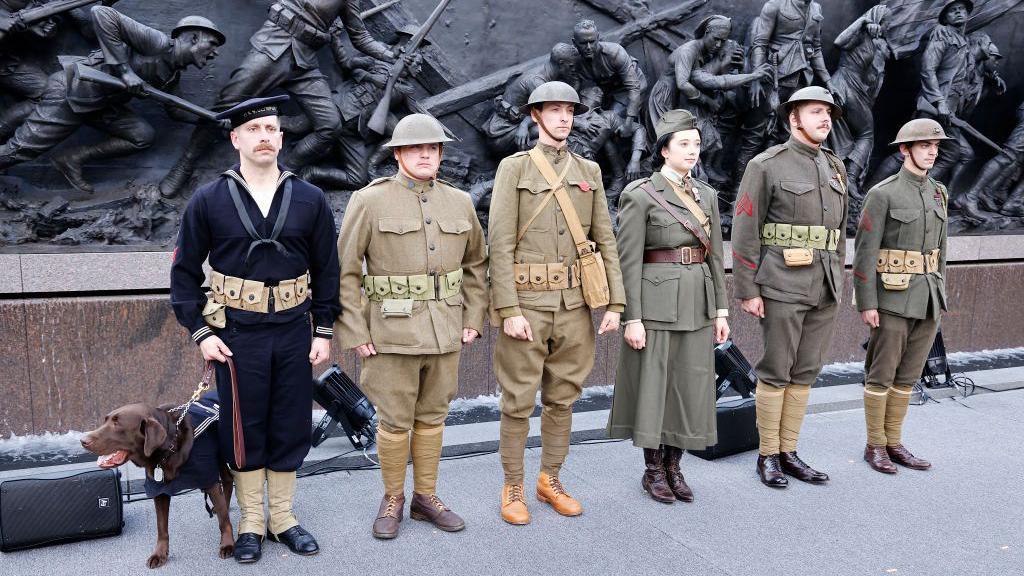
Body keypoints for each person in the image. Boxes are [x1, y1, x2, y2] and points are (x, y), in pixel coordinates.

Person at [170, 95, 341, 563]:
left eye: (270, 129)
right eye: (253, 130)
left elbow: (328, 269)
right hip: (237, 334)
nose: (263, 137)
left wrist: (323, 330)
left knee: (289, 420)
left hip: (292, 331)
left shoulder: (309, 199)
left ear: (282, 138)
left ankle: (282, 517)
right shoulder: (208, 200)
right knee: (244, 427)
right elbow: (184, 274)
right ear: (235, 139)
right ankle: (250, 520)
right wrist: (202, 333)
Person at [335, 113, 487, 539]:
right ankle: (392, 497)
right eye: (416, 147)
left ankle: (425, 497)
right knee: (394, 421)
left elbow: (477, 264)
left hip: (445, 331)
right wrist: (356, 331)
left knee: (434, 417)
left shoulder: (459, 202)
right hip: (390, 334)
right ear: (398, 153)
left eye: (433, 148)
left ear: (440, 154)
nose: (425, 154)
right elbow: (345, 271)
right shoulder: (369, 201)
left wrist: (473, 318)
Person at [488, 80, 625, 525]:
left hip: (574, 306)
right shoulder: (514, 168)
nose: (564, 118)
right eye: (554, 110)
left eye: (569, 110)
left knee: (563, 399)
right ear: (535, 116)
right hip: (526, 303)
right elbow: (500, 242)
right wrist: (507, 310)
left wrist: (615, 304)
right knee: (517, 401)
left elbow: (605, 237)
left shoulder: (589, 171)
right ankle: (513, 486)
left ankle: (550, 479)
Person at [607, 109, 729, 504]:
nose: (693, 151)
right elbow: (628, 260)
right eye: (684, 144)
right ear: (664, 150)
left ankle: (676, 466)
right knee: (656, 386)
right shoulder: (641, 194)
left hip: (697, 302)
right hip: (656, 304)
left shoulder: (706, 195)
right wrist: (632, 317)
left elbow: (715, 256)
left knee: (689, 386)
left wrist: (722, 311)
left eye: (696, 143)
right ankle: (654, 469)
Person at [731, 86, 848, 488]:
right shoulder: (766, 165)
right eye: (815, 112)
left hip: (826, 284)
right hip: (782, 281)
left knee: (806, 370)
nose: (824, 119)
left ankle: (789, 451)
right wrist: (748, 289)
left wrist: (840, 277)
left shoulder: (835, 166)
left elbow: (838, 232)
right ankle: (767, 455)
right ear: (793, 118)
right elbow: (745, 230)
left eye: (828, 113)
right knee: (777, 369)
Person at [0, 6, 224, 192]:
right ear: (194, 37)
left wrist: (212, 119)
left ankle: (72, 158)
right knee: (20, 150)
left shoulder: (172, 75)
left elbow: (175, 110)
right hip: (72, 92)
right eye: (212, 44)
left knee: (142, 135)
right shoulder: (157, 43)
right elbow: (102, 13)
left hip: (99, 104)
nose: (215, 53)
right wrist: (125, 71)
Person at [854, 118, 949, 475]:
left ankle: (894, 441)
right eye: (925, 145)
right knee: (881, 374)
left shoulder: (939, 192)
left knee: (908, 376)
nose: (932, 151)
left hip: (927, 298)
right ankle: (875, 445)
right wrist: (867, 302)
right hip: (892, 299)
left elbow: (942, 251)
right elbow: (865, 253)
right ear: (905, 149)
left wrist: (941, 296)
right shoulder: (883, 194)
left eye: (936, 146)